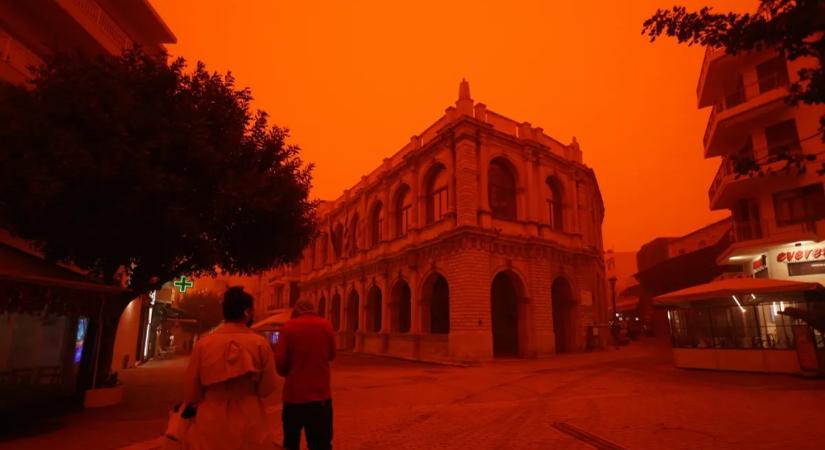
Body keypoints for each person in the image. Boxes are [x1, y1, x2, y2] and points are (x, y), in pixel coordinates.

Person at [182, 287, 277, 450]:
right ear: (247, 312)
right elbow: (267, 387)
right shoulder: (260, 344)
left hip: (211, 414)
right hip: (249, 413)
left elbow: (192, 388)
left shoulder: (203, 344)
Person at [275, 299, 336, 450]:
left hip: (293, 397)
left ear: (296, 310)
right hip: (320, 397)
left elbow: (280, 360)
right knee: (321, 445)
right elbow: (332, 355)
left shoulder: (288, 327)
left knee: (291, 443)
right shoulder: (326, 325)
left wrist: (288, 372)